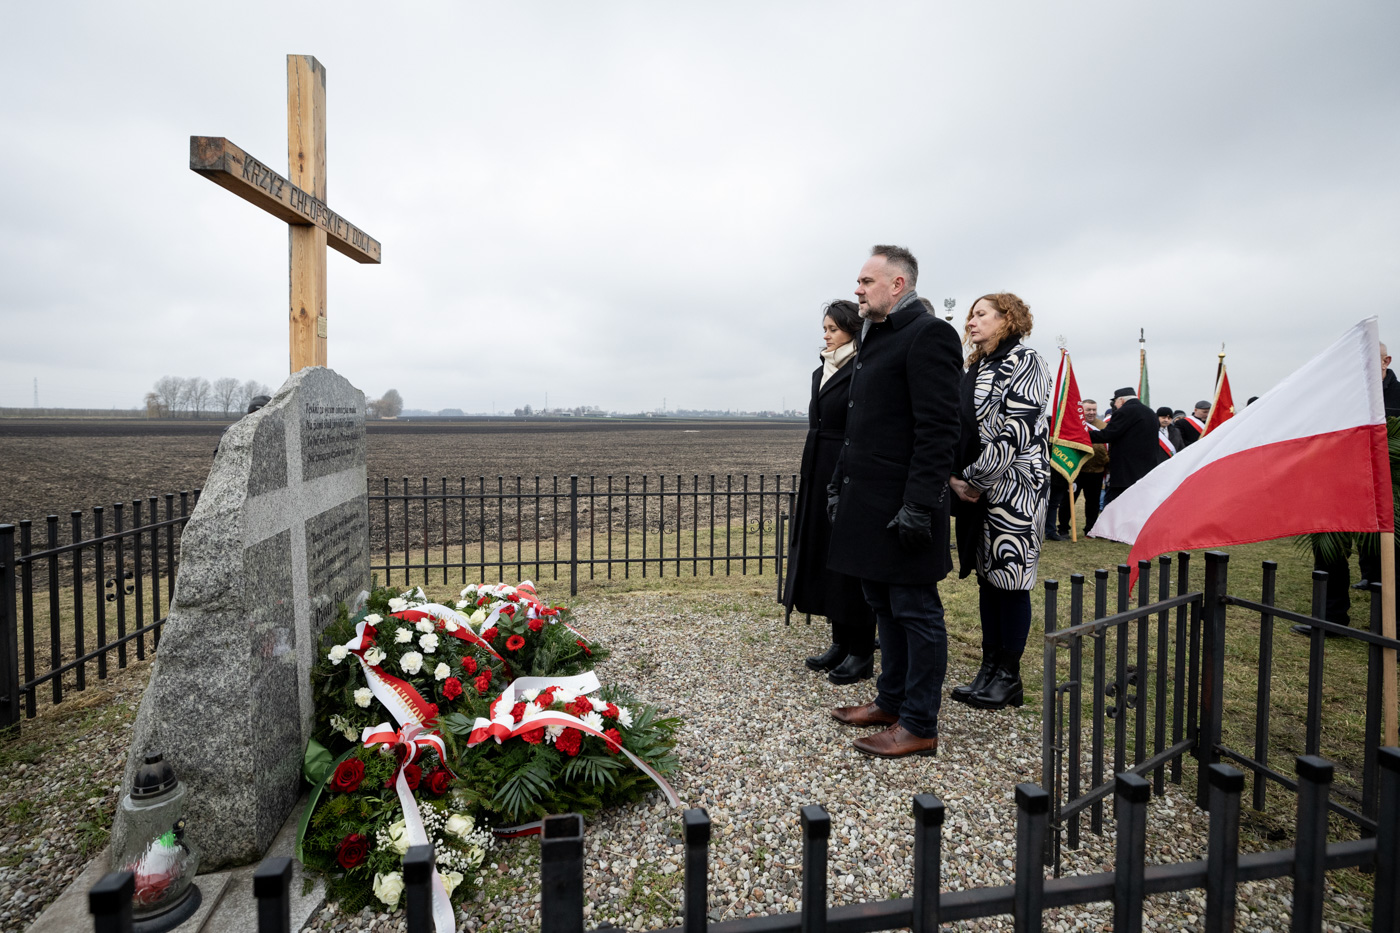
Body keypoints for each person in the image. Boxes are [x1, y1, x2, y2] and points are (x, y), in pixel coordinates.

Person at [827, 245, 963, 759]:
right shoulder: (876, 335)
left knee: (915, 611)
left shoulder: (929, 334)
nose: (857, 289)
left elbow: (939, 429)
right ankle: (891, 701)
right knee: (883, 605)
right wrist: (839, 482)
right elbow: (861, 423)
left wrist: (920, 505)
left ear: (898, 284)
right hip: (869, 502)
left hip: (904, 504)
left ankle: (920, 723)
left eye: (866, 281)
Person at [949, 293, 1052, 711]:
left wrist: (972, 480)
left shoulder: (1027, 361)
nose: (971, 322)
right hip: (977, 487)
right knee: (988, 579)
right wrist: (956, 478)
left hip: (1015, 486)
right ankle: (988, 670)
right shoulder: (977, 364)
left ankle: (1009, 676)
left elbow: (1017, 429)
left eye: (981, 315)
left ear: (1007, 319)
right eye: (970, 315)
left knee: (1010, 579)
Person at [784, 300, 877, 684]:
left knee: (851, 560)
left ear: (852, 330)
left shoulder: (862, 368)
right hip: (819, 470)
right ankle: (840, 641)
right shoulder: (821, 370)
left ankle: (861, 649)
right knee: (827, 557)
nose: (825, 336)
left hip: (847, 469)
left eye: (832, 329)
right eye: (824, 329)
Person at [1088, 388, 1158, 506]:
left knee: (1115, 505)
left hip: (1125, 471)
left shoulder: (1124, 411)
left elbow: (1108, 434)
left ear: (1121, 400)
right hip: (1146, 470)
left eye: (1115, 402)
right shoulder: (1150, 412)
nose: (1115, 405)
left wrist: (1083, 436)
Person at [1077, 399, 1108, 533]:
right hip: (1077, 470)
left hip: (1096, 470)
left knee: (1093, 502)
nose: (1091, 412)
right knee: (1068, 501)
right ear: (1081, 411)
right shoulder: (1075, 424)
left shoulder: (1103, 426)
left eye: (1094, 410)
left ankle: (1091, 529)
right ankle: (1063, 529)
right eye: (1088, 410)